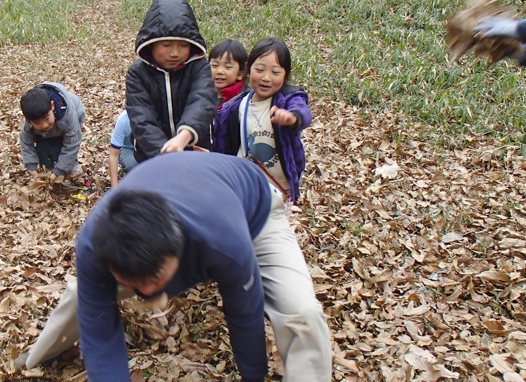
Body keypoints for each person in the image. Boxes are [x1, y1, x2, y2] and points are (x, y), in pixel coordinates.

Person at [20, 152, 332, 382]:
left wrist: (253, 377)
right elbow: (101, 339)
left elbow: (245, 314)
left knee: (302, 312)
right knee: (84, 295)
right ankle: (37, 358)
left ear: (179, 248)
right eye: (135, 285)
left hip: (255, 213)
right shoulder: (93, 245)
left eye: (156, 280)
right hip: (170, 211)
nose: (147, 295)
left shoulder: (222, 241)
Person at [212, 38, 312, 202]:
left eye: (275, 72)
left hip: (280, 189)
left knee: (276, 226)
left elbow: (303, 111)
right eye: (259, 70)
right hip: (245, 185)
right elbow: (222, 140)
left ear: (285, 74)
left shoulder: (288, 99)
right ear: (248, 70)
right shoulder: (236, 106)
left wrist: (293, 117)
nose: (266, 77)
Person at [125, 0, 216, 163]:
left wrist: (184, 137)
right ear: (151, 44)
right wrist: (165, 154)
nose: (175, 53)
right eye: (166, 45)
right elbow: (141, 118)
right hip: (153, 157)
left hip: (196, 151)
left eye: (183, 45)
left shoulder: (199, 67)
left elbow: (202, 101)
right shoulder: (137, 74)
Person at [19, 82, 85, 181]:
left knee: (60, 144)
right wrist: (31, 165)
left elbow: (72, 142)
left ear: (52, 106)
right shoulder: (32, 117)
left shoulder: (68, 115)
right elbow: (26, 141)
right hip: (46, 129)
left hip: (71, 118)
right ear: (29, 120)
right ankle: (48, 168)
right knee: (43, 147)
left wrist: (60, 170)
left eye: (47, 118)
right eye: (37, 123)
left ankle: (72, 165)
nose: (44, 125)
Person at [209, 39, 248, 109]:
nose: (220, 71)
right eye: (214, 65)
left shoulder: (242, 100)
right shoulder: (200, 94)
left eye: (228, 67)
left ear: (241, 73)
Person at [108, 109, 137, 187]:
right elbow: (113, 155)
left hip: (147, 148)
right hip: (128, 148)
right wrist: (114, 187)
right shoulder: (123, 120)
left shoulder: (152, 116)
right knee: (132, 164)